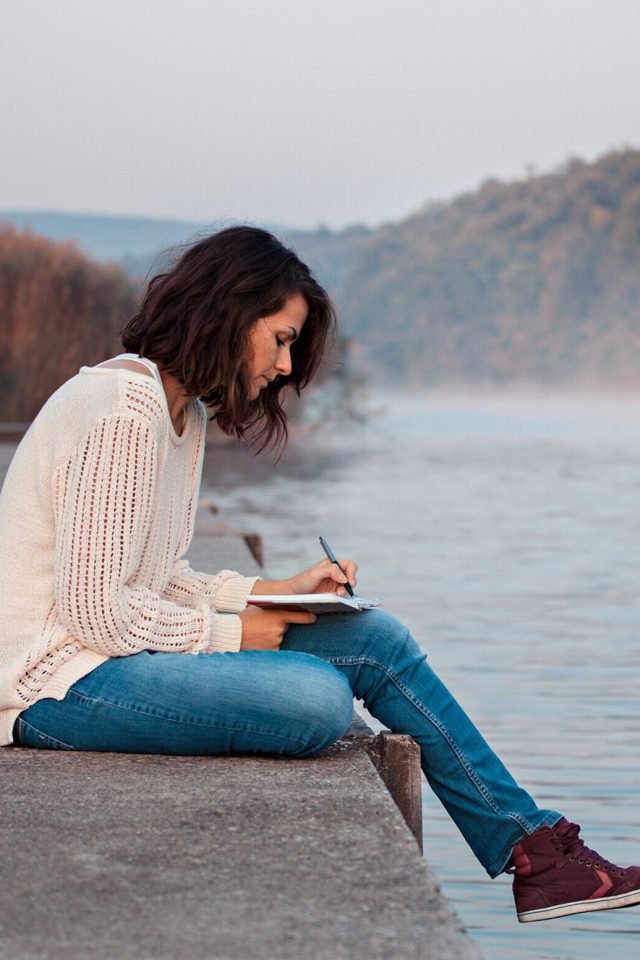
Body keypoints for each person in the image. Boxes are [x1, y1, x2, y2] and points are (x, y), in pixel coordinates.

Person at [1, 226, 639, 925]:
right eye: (281, 339)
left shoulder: (178, 410)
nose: (284, 364)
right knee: (317, 703)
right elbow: (99, 613)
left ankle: (536, 854)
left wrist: (277, 591)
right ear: (228, 312)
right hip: (52, 685)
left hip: (103, 662)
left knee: (377, 637)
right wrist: (240, 631)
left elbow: (155, 578)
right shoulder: (125, 411)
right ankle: (534, 855)